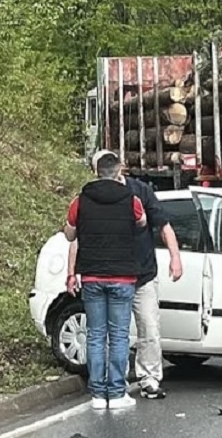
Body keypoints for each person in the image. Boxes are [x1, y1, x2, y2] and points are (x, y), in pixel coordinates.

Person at [69, 149, 183, 400]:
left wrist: (175, 257)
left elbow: (162, 224)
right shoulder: (92, 197)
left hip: (141, 274)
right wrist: (73, 271)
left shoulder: (139, 192)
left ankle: (148, 378)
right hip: (112, 276)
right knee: (111, 334)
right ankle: (111, 386)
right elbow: (78, 238)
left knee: (147, 328)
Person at [63, 152, 145, 410]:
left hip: (92, 276)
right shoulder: (131, 200)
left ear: (96, 171)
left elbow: (69, 233)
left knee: (96, 335)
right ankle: (117, 392)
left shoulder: (81, 201)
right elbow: (142, 222)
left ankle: (98, 394)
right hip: (122, 276)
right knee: (119, 336)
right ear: (118, 170)